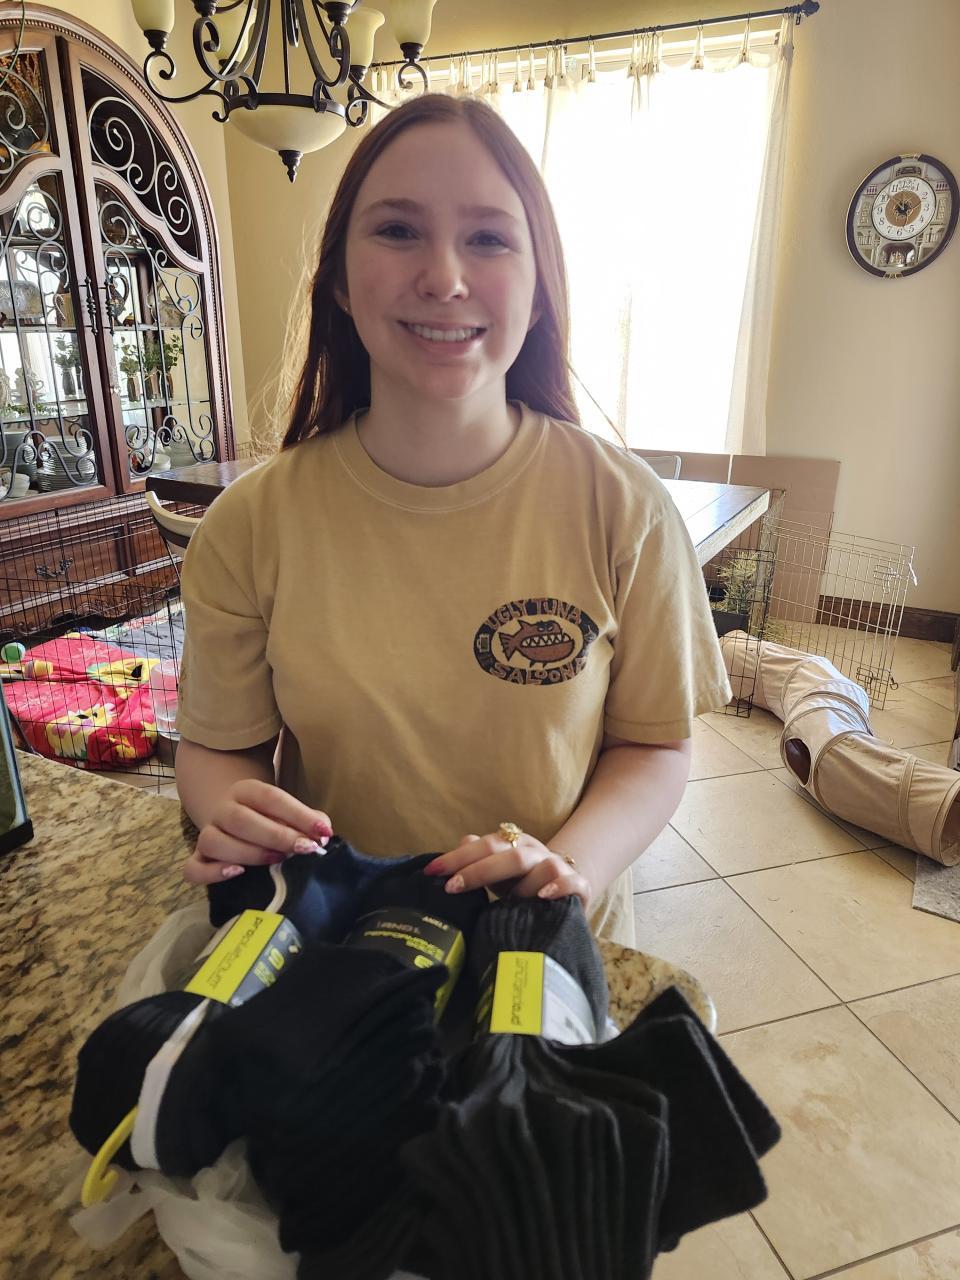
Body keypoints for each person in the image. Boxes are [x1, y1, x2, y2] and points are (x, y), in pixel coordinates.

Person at [175, 93, 731, 948]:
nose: (443, 277)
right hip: (335, 943)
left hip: (542, 951)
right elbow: (222, 747)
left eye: (489, 239)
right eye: (398, 230)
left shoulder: (627, 509)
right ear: (340, 280)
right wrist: (230, 809)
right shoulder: (249, 525)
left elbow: (654, 747)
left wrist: (566, 867)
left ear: (539, 288)